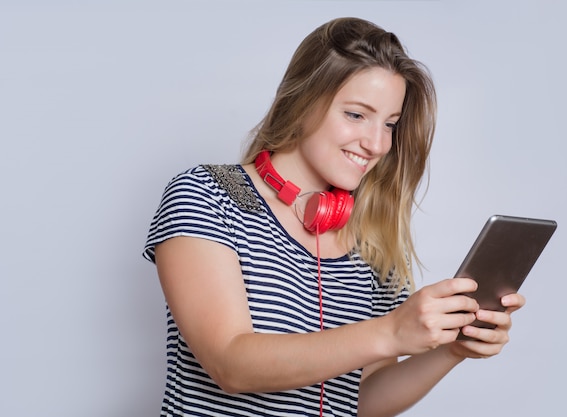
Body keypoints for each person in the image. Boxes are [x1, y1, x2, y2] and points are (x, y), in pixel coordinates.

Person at [143, 17, 525, 417]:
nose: (377, 144)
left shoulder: (371, 237)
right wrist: (392, 331)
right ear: (304, 100)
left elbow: (362, 401)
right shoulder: (208, 193)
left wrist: (451, 349)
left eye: (390, 124)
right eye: (357, 115)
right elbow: (230, 365)